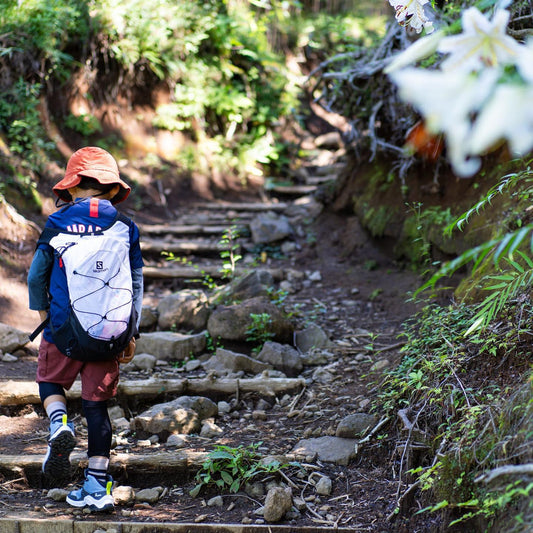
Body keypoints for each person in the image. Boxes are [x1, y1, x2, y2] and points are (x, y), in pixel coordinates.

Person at [27, 146, 144, 511]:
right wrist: (131, 332)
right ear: (112, 190)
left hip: (63, 329)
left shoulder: (57, 223)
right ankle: (96, 487)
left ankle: (59, 421)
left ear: (72, 187)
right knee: (97, 409)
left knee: (50, 382)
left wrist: (43, 314)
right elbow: (137, 281)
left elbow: (35, 277)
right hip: (109, 335)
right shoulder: (126, 227)